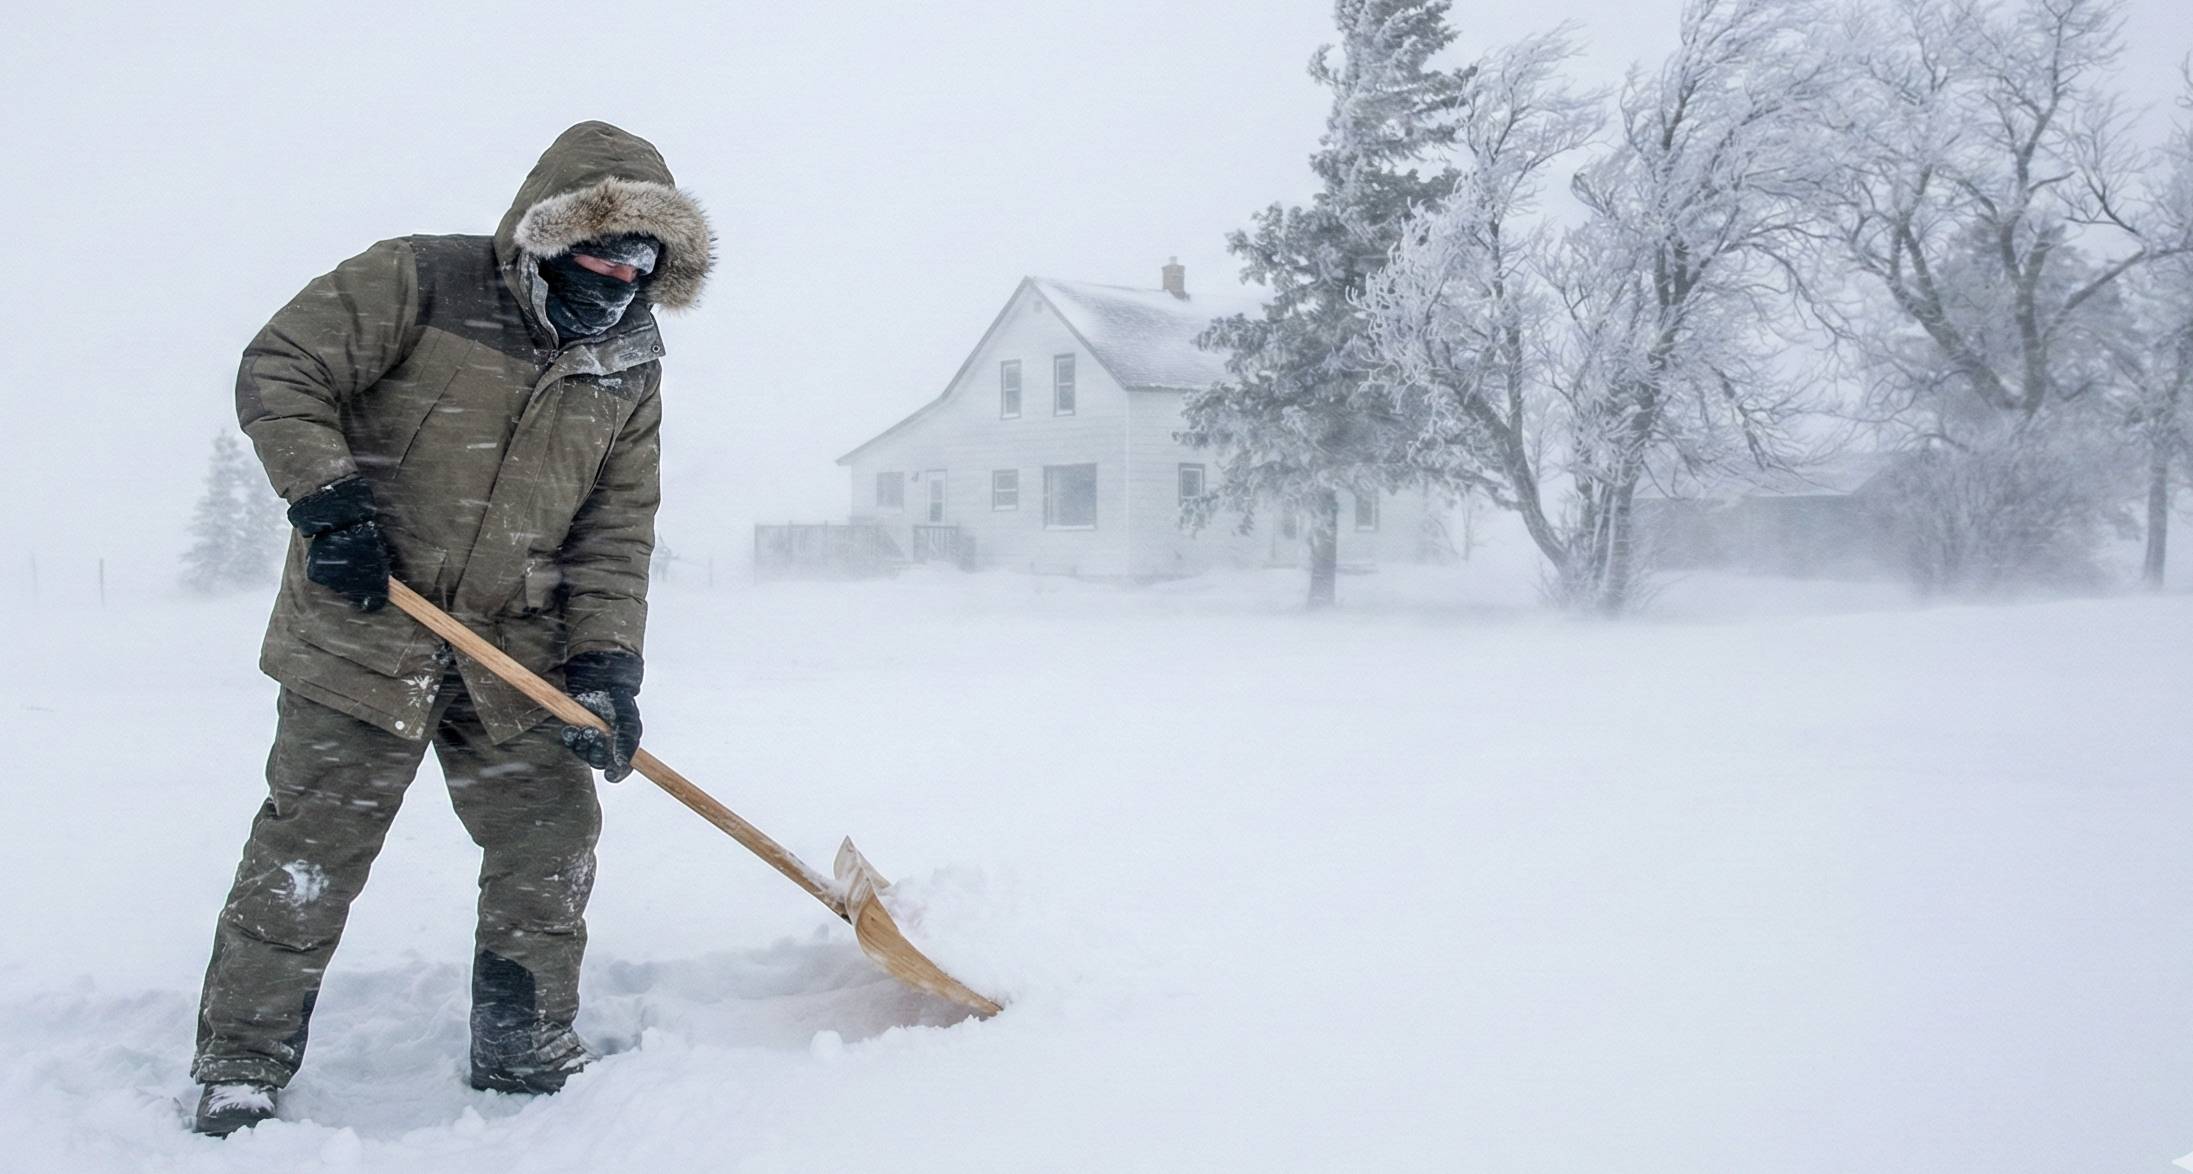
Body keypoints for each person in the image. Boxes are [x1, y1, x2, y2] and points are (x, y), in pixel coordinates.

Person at [189, 121, 714, 1137]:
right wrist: (328, 501)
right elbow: (283, 368)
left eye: (641, 260)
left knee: (549, 838)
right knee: (311, 850)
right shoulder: (421, 281)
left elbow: (614, 526)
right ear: (549, 232)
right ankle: (240, 1063)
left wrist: (606, 661)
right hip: (367, 621)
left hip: (510, 652)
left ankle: (523, 1041)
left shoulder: (631, 363)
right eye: (600, 250)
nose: (616, 275)